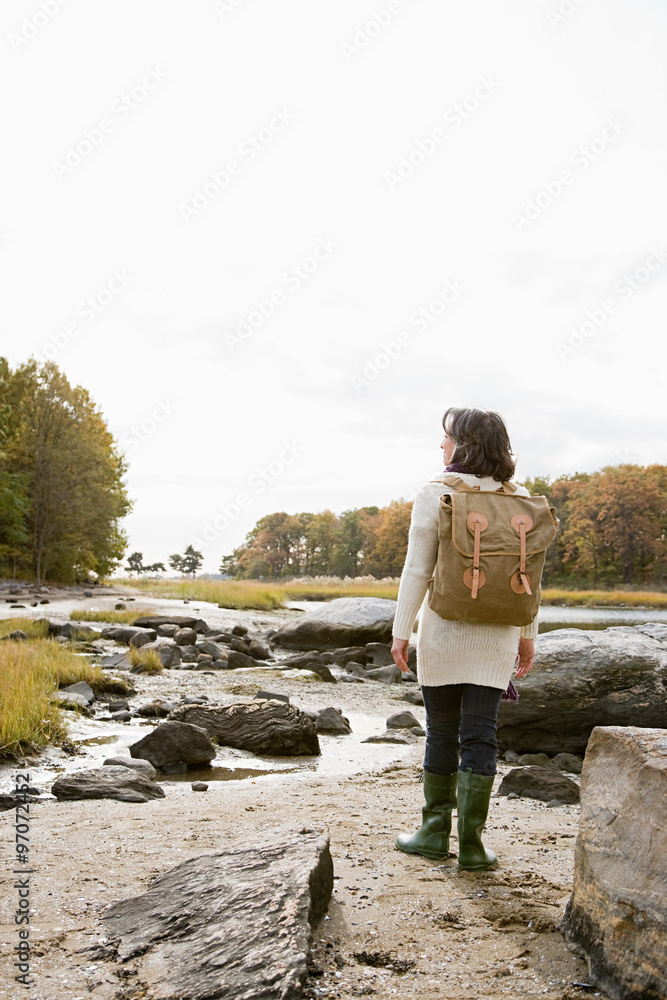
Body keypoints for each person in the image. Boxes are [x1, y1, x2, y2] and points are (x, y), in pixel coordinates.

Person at [390, 406, 537, 871]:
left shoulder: (435, 492)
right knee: (480, 737)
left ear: (465, 443)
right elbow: (532, 576)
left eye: (447, 436)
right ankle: (472, 845)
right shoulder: (522, 500)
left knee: (442, 733)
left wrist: (400, 632)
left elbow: (417, 569)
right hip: (499, 633)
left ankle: (433, 834)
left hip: (444, 630)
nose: (441, 445)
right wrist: (527, 635)